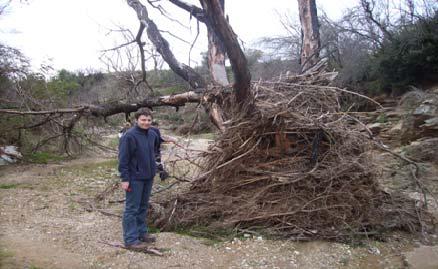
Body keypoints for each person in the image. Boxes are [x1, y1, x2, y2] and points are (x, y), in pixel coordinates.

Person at [118, 108, 159, 249]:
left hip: (148, 177)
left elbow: (155, 152)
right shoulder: (129, 136)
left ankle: (142, 233)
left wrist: (159, 168)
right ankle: (130, 240)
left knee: (143, 207)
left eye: (149, 120)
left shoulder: (152, 134)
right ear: (137, 120)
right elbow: (123, 160)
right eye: (143, 120)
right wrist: (125, 179)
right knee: (132, 209)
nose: (146, 122)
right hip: (134, 178)